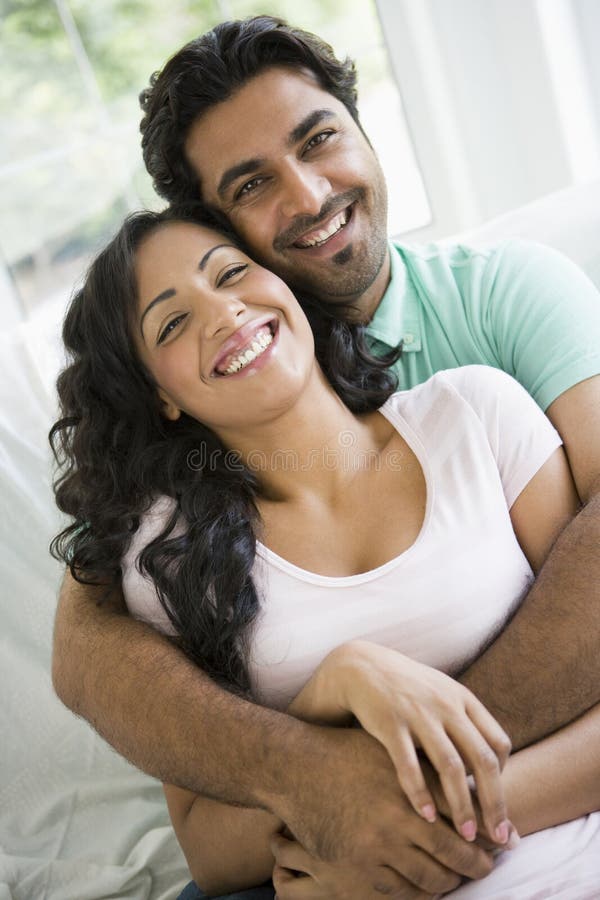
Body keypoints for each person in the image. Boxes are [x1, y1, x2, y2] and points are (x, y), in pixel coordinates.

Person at [50, 14, 600, 899]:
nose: (308, 195)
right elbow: (87, 653)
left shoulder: (492, 340)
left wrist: (407, 807)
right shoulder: (180, 518)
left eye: (319, 139)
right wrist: (320, 739)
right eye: (253, 183)